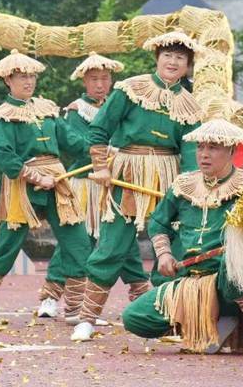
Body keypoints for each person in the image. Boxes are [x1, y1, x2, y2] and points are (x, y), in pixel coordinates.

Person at [71, 31, 205, 342]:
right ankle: (87, 318)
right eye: (168, 56)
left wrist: (188, 187)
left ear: (188, 66)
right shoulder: (130, 89)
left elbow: (190, 150)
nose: (173, 62)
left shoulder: (190, 105)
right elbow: (100, 129)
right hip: (128, 173)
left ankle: (165, 320)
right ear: (157, 58)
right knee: (113, 243)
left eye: (180, 59)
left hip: (169, 177)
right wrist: (102, 167)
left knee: (172, 245)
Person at [123, 119, 243, 358]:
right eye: (200, 147)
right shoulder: (183, 184)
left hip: (233, 276)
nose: (204, 155)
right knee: (134, 317)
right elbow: (158, 221)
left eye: (213, 148)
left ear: (231, 151)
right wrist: (164, 253)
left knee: (234, 262)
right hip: (192, 281)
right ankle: (209, 323)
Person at [0, 50, 92, 328]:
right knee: (7, 245)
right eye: (22, 76)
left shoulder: (48, 109)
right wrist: (36, 177)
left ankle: (73, 309)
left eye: (32, 76)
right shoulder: (3, 116)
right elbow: (5, 157)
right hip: (22, 185)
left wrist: (99, 152)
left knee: (78, 241)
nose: (29, 81)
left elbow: (72, 141)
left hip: (57, 181)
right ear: (8, 80)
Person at [38, 52, 124, 321]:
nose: (100, 84)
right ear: (84, 81)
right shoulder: (77, 109)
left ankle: (85, 301)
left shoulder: (117, 106)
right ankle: (50, 296)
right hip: (83, 184)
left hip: (110, 184)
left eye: (105, 79)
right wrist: (109, 152)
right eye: (94, 79)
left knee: (103, 242)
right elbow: (78, 144)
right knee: (74, 240)